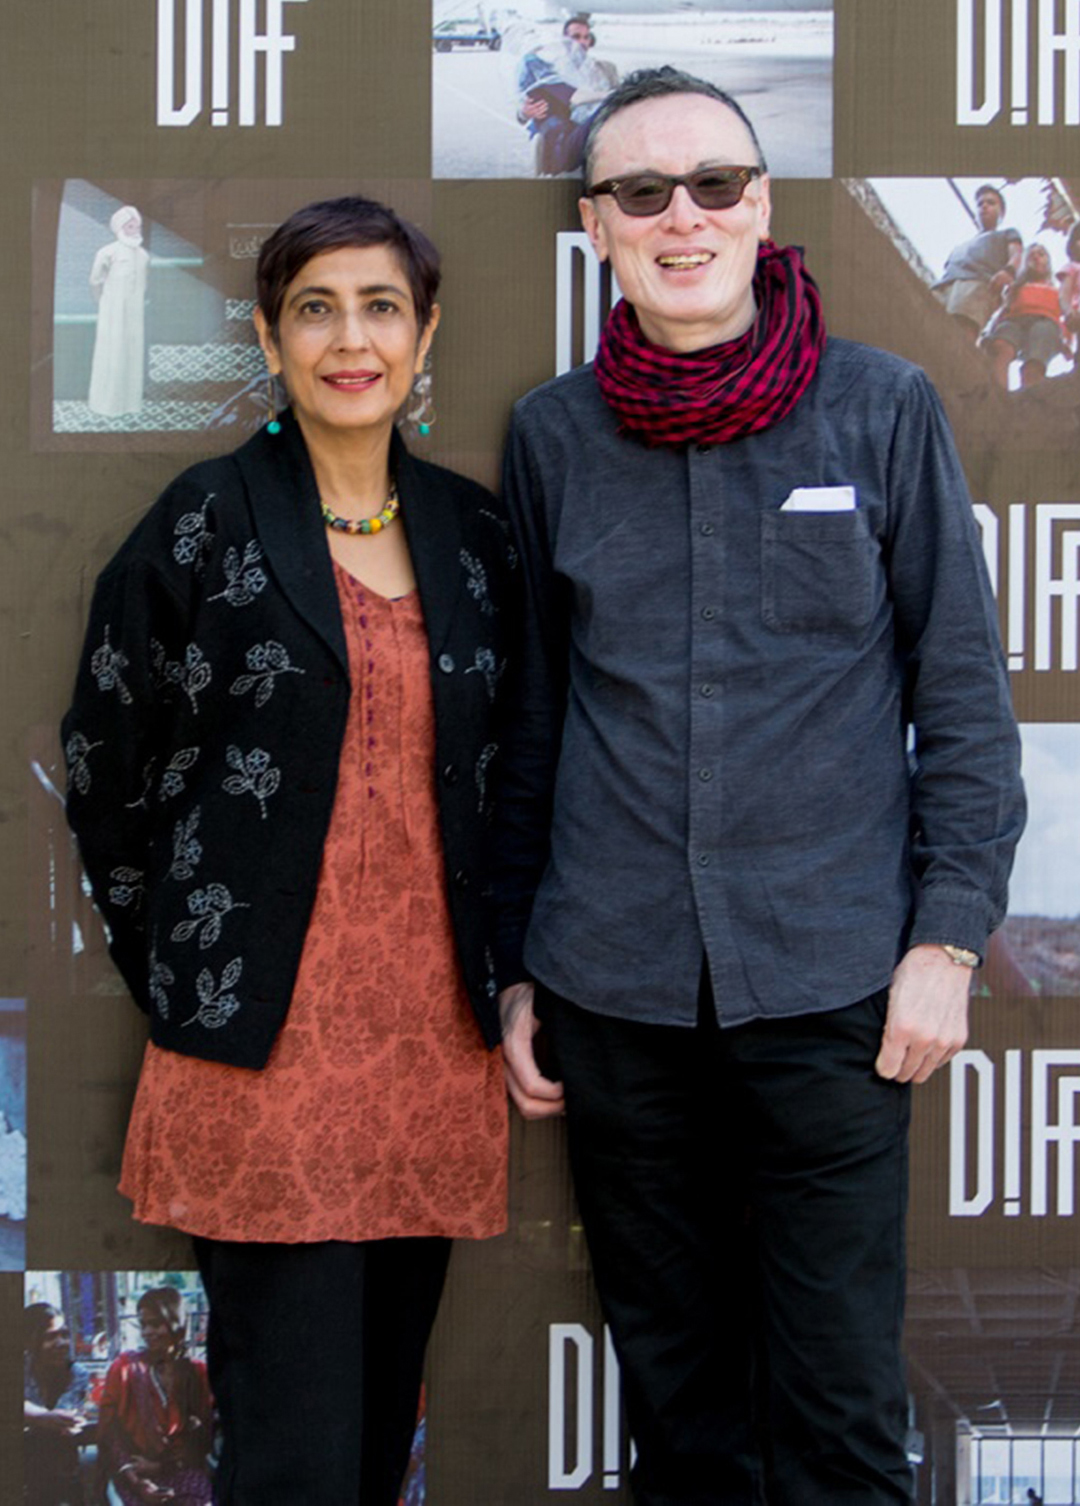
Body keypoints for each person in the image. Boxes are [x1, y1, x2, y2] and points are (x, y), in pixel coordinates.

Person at [496, 67, 1025, 1505]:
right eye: (642, 191)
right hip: (613, 990)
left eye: (715, 183)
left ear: (763, 206)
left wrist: (948, 936)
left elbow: (964, 700)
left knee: (844, 1423)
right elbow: (536, 720)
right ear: (596, 223)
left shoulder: (883, 408)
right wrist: (516, 969)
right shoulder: (551, 437)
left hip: (837, 990)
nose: (685, 216)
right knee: (684, 1426)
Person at [61, 195, 513, 1505]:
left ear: (425, 336)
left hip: (433, 1057)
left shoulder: (477, 541)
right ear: (270, 336)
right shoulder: (202, 522)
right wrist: (189, 973)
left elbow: (517, 776)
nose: (349, 338)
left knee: (376, 1448)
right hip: (263, 1064)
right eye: (315, 307)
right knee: (294, 1459)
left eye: (381, 306)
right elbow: (102, 764)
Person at [97, 1287, 213, 1506]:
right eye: (144, 1325)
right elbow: (109, 1434)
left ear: (177, 1325)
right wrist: (137, 1482)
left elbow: (202, 1437)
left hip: (181, 1470)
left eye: (156, 1324)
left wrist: (165, 1467)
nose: (148, 1332)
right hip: (132, 1472)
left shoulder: (197, 1373)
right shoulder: (125, 1368)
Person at [517, 15, 619, 176]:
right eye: (576, 37)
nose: (582, 42)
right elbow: (524, 108)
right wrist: (524, 113)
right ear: (565, 39)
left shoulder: (606, 69)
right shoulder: (550, 69)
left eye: (586, 37)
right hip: (562, 139)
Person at [932, 184, 1022, 342]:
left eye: (991, 203)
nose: (984, 206)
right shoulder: (961, 246)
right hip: (946, 285)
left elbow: (1016, 253)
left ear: (1001, 212)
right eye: (980, 204)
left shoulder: (1007, 234)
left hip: (978, 284)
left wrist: (1008, 271)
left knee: (961, 330)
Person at [23, 1303, 92, 1506]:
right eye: (50, 1336)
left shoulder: (76, 1373)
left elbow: (63, 1419)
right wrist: (41, 1417)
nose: (61, 1343)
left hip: (60, 1467)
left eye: (64, 1334)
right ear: (30, 1340)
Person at [87, 205, 150, 417]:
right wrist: (105, 304)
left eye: (137, 226)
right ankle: (105, 404)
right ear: (120, 228)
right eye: (130, 226)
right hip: (112, 314)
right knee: (111, 354)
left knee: (131, 354)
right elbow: (95, 282)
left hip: (134, 316)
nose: (135, 230)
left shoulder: (142, 255)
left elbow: (144, 285)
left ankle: (130, 404)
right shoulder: (107, 252)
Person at [981, 241, 1069, 388]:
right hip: (1014, 320)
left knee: (1035, 362)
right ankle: (1000, 396)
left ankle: (1029, 398)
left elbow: (1065, 313)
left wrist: (1066, 339)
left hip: (1045, 321)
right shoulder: (1016, 287)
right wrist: (990, 331)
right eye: (1031, 256)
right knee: (1001, 347)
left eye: (1041, 254)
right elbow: (1004, 309)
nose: (1036, 258)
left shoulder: (1057, 290)